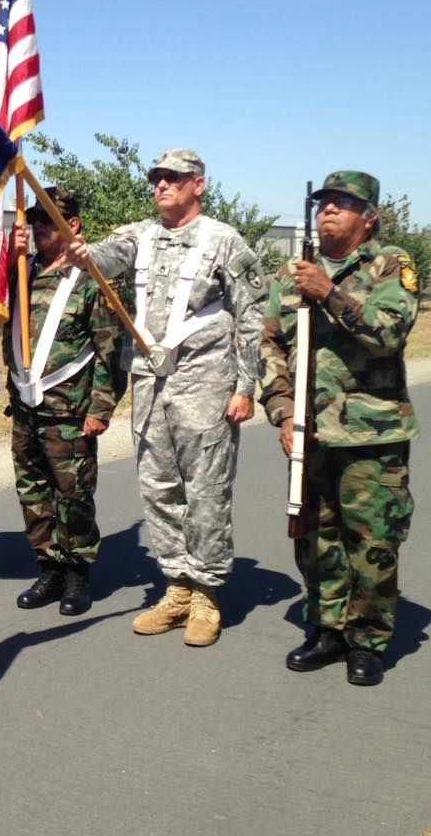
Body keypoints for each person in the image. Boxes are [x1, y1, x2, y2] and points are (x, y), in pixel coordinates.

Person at [66, 149, 268, 645]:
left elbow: (252, 317)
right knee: (158, 489)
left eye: (173, 179)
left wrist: (246, 387)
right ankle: (176, 586)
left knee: (205, 492)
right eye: (156, 179)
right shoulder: (139, 235)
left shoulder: (225, 241)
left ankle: (206, 593)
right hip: (151, 385)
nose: (161, 186)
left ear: (198, 184)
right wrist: (82, 254)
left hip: (205, 384)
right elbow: (105, 257)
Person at [259, 171, 419, 686]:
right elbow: (269, 346)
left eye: (342, 203)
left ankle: (367, 639)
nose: (328, 210)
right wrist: (284, 413)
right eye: (323, 202)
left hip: (371, 434)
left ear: (368, 217)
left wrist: (328, 292)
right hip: (310, 434)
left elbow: (388, 333)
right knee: (315, 538)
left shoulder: (390, 264)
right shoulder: (289, 273)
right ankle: (326, 629)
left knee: (372, 543)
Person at [4, 187, 123, 616]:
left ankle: (77, 572)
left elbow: (111, 350)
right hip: (25, 406)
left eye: (47, 221)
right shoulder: (19, 274)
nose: (38, 228)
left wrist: (100, 409)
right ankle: (49, 566)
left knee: (72, 494)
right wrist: (7, 255)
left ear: (72, 226)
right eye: (34, 221)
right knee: (33, 492)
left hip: (70, 410)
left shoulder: (89, 282)